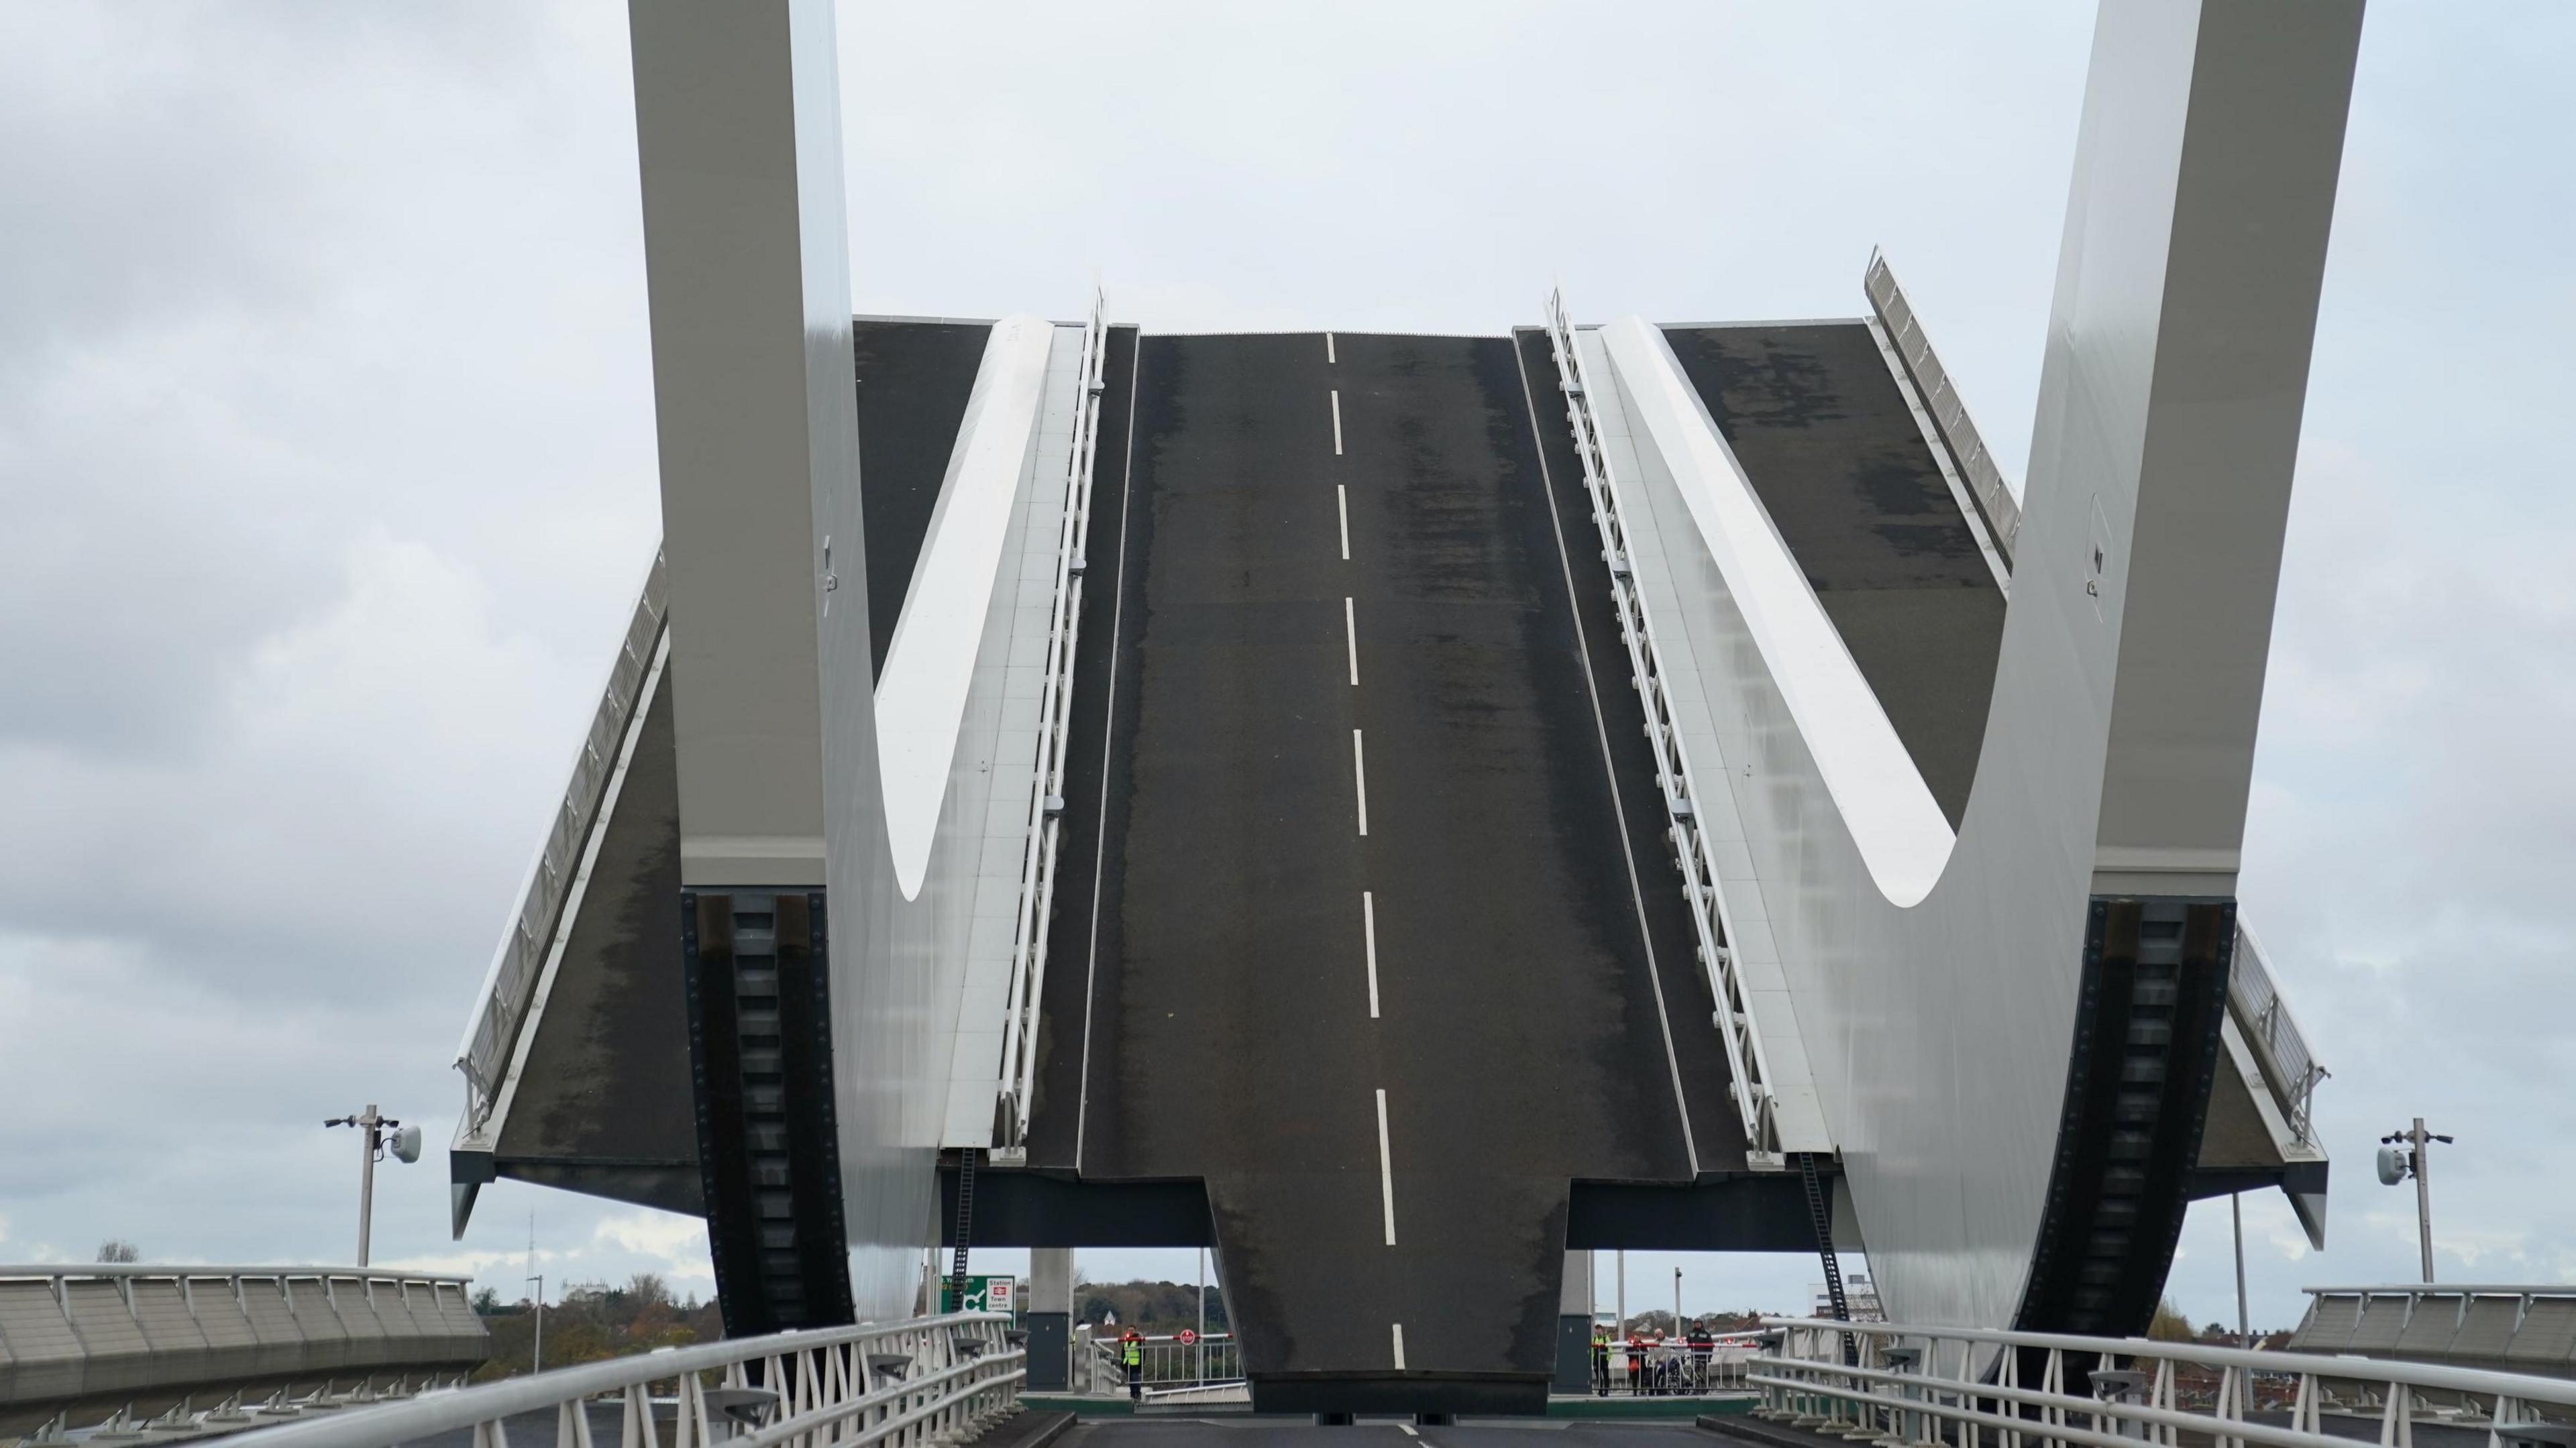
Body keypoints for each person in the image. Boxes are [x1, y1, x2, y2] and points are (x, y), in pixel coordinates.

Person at [1121, 1329, 1144, 1402]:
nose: (1131, 1331)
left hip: (1136, 1364)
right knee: (1130, 1380)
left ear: (1135, 1331)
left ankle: (1138, 1394)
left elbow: (1143, 1352)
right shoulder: (1126, 1340)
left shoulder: (1138, 1340)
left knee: (1134, 1379)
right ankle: (1133, 1395)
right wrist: (1123, 1362)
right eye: (1129, 1330)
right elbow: (1123, 1352)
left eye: (1132, 1330)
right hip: (1128, 1364)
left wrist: (1141, 1363)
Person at [1590, 1328, 1611, 1396]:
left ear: (1602, 1331)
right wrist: (1593, 1360)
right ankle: (1600, 1391)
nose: (1598, 1332)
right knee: (1598, 1377)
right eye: (1597, 1330)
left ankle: (1606, 1391)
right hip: (1596, 1361)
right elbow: (1592, 1351)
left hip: (1604, 1361)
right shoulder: (1594, 1339)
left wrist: (1608, 1359)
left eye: (1599, 1330)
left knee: (1606, 1376)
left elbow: (1610, 1349)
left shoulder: (1606, 1339)